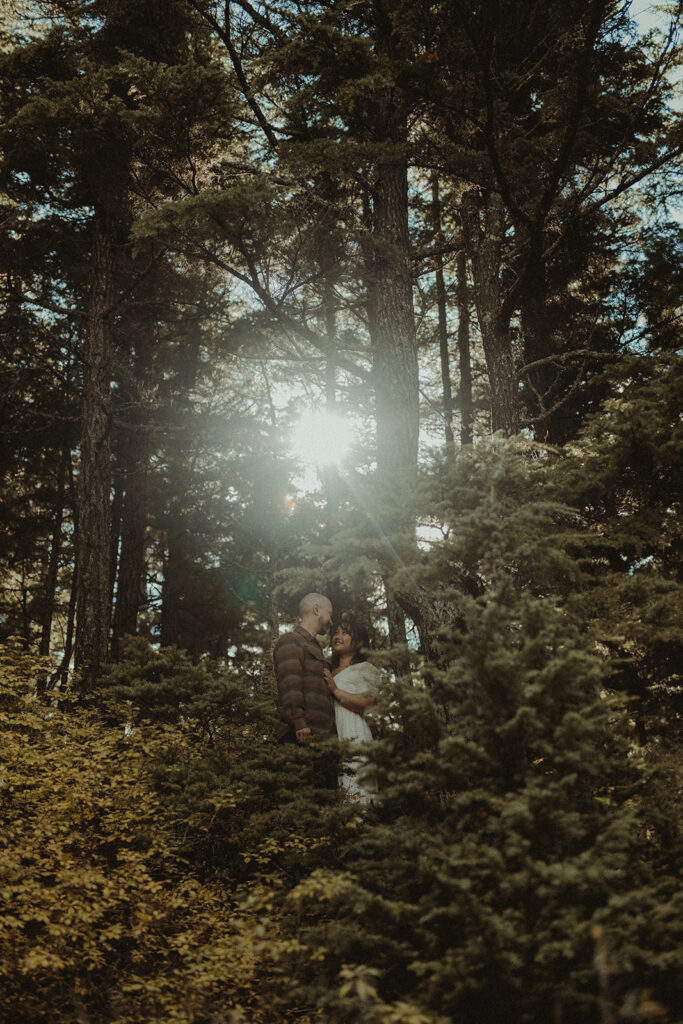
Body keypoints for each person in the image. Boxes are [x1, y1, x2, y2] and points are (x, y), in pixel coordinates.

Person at [324, 618, 381, 803]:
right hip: (330, 736)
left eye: (345, 633)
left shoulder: (365, 669)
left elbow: (367, 703)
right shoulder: (327, 669)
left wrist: (335, 690)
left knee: (356, 791)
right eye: (336, 632)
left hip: (354, 732)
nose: (338, 636)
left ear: (358, 642)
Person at [273, 592, 336, 744]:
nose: (332, 622)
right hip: (302, 734)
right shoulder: (291, 641)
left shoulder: (314, 647)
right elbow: (291, 683)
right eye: (330, 614)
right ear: (316, 610)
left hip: (322, 736)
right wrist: (299, 722)